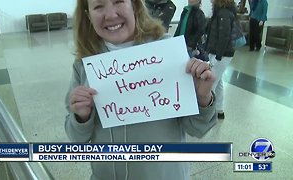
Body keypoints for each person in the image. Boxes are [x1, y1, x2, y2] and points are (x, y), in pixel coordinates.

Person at [65, 0, 217, 179]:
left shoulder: (168, 52)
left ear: (135, 5)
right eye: (98, 6)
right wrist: (81, 117)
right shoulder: (84, 66)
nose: (111, 14)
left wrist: (202, 98)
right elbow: (76, 139)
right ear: (88, 15)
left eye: (118, 2)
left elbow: (197, 129)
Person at [205, 0, 236, 119]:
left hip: (221, 54)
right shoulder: (220, 12)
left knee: (211, 83)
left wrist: (218, 56)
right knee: (218, 82)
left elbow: (224, 36)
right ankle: (219, 110)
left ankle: (207, 113)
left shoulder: (224, 13)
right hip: (217, 52)